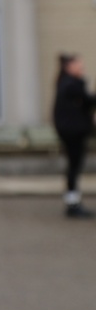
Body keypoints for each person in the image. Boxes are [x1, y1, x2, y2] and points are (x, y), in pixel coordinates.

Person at [52, 53, 96, 218]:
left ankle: (73, 201)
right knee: (74, 166)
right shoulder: (72, 84)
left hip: (71, 131)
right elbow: (88, 101)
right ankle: (73, 203)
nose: (82, 69)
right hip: (73, 132)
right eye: (80, 66)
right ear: (70, 66)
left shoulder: (66, 83)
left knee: (74, 166)